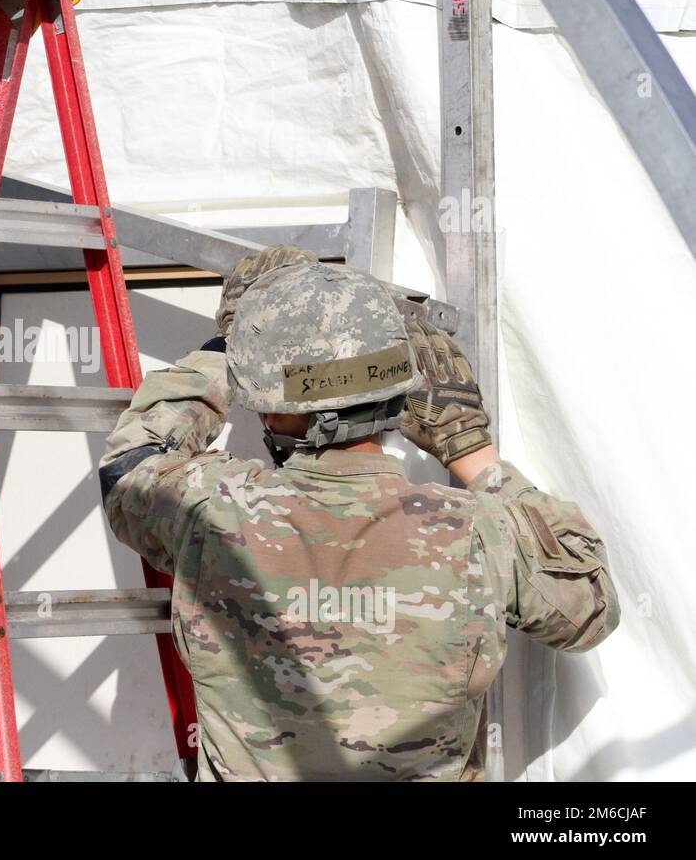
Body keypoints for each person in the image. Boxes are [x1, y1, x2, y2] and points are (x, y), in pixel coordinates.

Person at [98, 247, 620, 781]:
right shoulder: (479, 531)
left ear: (272, 405)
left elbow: (129, 467)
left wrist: (230, 345)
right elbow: (589, 609)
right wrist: (468, 449)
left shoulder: (209, 510)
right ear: (399, 393)